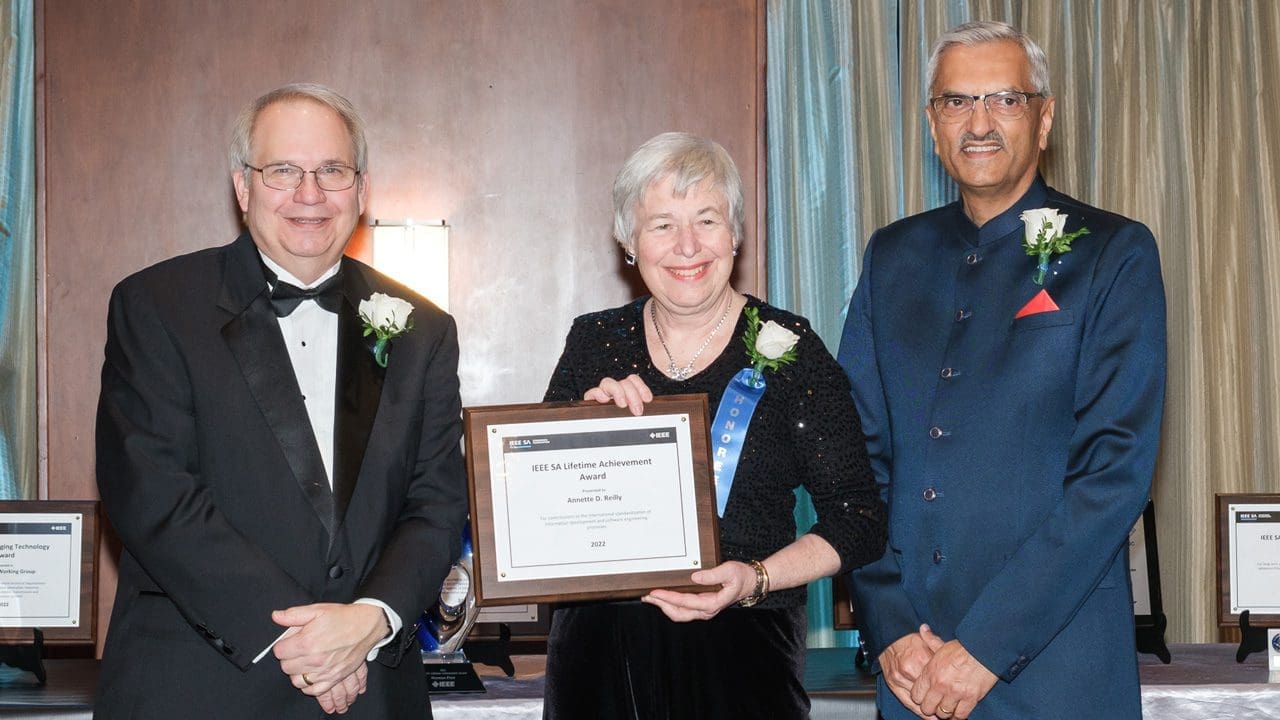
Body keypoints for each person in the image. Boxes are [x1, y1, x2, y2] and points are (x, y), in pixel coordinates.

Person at [94, 83, 468, 718]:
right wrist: (304, 643)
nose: (310, 194)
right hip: (198, 686)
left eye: (332, 170)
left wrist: (372, 620)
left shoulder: (422, 329)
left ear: (362, 189)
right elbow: (151, 493)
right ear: (243, 187)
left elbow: (436, 504)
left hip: (371, 688)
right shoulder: (156, 306)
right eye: (283, 171)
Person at [837, 21, 1166, 720]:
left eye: (1005, 100)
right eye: (956, 102)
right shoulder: (891, 257)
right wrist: (891, 626)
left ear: (1044, 119)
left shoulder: (1115, 254)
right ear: (932, 123)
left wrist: (984, 647)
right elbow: (853, 461)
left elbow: (1112, 475)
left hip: (1057, 670)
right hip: (913, 676)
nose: (978, 122)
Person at [541, 132, 887, 720]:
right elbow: (531, 507)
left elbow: (859, 519)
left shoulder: (791, 348)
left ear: (736, 234)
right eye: (661, 225)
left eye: (706, 219)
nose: (687, 246)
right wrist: (582, 426)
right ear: (629, 241)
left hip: (741, 654)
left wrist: (755, 578)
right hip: (599, 660)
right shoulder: (593, 341)